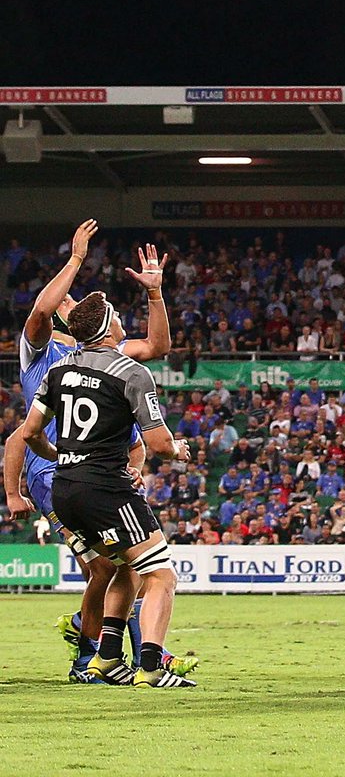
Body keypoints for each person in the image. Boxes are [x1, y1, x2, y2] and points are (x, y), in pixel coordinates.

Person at [2, 221, 177, 683]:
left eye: (71, 297)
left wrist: (155, 295)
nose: (69, 299)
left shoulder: (100, 354)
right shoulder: (38, 354)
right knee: (110, 565)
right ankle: (99, 653)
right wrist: (76, 259)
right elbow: (40, 309)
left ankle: (109, 649)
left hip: (97, 469)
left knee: (121, 565)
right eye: (65, 299)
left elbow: (158, 345)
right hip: (52, 470)